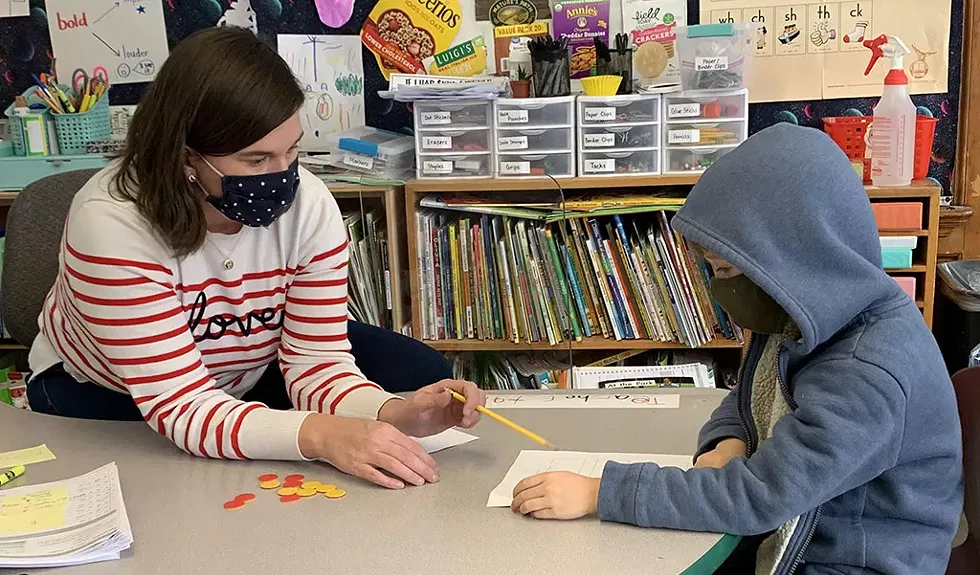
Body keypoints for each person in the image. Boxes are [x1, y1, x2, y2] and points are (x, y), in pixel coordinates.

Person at [25, 27, 486, 491]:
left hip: (240, 371)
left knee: (418, 375)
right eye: (256, 160)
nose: (283, 174)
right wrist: (322, 436)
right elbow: (181, 406)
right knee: (173, 488)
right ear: (186, 158)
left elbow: (316, 361)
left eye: (292, 150)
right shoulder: (111, 222)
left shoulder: (309, 204)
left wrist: (397, 414)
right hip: (113, 391)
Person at [510, 124, 963, 573]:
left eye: (726, 270)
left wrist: (600, 493)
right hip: (802, 530)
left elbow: (758, 496)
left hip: (850, 561)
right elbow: (753, 392)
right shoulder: (804, 311)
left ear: (794, 259)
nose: (717, 288)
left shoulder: (867, 371)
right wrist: (731, 439)